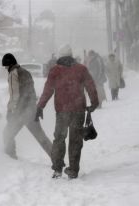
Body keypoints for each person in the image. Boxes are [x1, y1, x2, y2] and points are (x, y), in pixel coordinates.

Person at [36, 45, 99, 179]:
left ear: (60, 56)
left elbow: (48, 90)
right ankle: (73, 170)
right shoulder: (81, 69)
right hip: (78, 110)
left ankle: (58, 168)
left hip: (62, 111)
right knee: (75, 140)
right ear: (71, 55)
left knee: (59, 138)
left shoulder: (55, 71)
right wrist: (94, 102)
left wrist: (40, 106)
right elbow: (90, 86)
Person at [1, 53, 52, 160]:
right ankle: (57, 159)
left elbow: (14, 96)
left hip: (20, 112)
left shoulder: (13, 74)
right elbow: (31, 92)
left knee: (7, 133)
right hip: (31, 110)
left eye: (5, 66)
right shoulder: (25, 72)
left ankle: (10, 157)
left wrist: (10, 111)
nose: (5, 68)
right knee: (41, 137)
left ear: (9, 65)